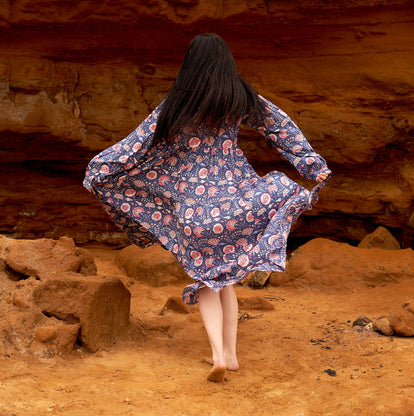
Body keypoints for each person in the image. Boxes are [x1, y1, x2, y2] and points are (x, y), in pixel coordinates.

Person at [83, 33, 331, 383]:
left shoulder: (175, 103)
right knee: (223, 278)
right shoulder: (239, 97)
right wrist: (313, 168)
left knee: (208, 279)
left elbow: (135, 145)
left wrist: (100, 168)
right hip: (237, 201)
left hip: (192, 211)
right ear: (226, 62)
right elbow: (281, 128)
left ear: (191, 63)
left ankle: (219, 355)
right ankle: (229, 355)